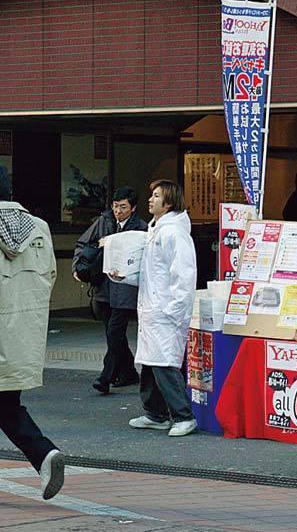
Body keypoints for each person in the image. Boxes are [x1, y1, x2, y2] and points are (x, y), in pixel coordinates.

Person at [0, 181, 65, 499]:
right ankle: (43, 455)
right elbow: (50, 275)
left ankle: (43, 452)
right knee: (7, 405)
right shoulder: (39, 228)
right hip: (24, 336)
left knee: (6, 407)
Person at [128, 179, 197, 437]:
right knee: (148, 362)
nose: (150, 199)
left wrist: (175, 308)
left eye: (156, 196)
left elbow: (184, 273)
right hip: (152, 308)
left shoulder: (173, 231)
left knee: (164, 364)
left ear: (168, 202)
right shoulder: (155, 229)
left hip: (164, 310)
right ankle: (154, 413)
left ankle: (183, 415)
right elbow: (150, 272)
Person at [72, 187, 147, 394]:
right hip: (103, 286)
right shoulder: (104, 221)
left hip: (125, 289)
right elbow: (83, 243)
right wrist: (78, 266)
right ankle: (129, 372)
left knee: (115, 331)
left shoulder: (141, 229)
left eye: (123, 207)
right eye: (115, 206)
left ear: (133, 208)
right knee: (112, 334)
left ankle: (105, 377)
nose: (118, 211)